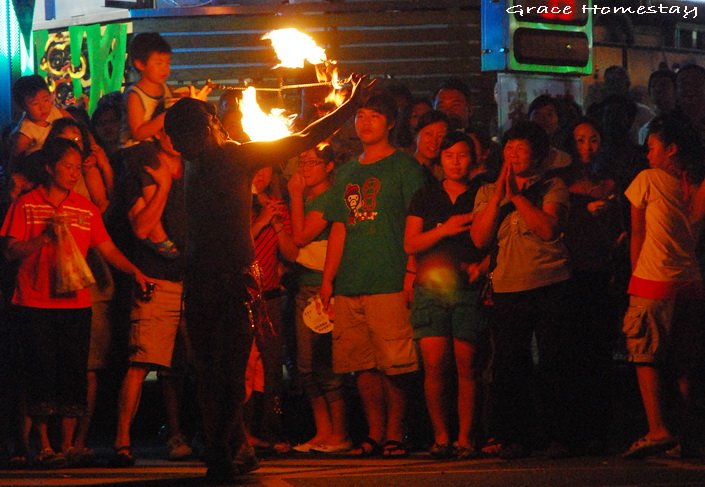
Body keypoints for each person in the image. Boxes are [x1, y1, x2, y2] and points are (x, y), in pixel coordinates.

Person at [163, 74, 366, 483]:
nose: (179, 143)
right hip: (202, 278)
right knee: (211, 369)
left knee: (228, 369)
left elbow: (302, 138)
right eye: (175, 136)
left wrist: (350, 104)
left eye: (185, 132)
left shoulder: (235, 156)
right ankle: (230, 447)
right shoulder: (196, 159)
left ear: (210, 127)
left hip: (234, 279)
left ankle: (225, 449)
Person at [0, 138, 148, 468]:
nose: (72, 173)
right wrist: (43, 238)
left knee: (72, 373)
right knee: (39, 373)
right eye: (67, 167)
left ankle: (67, 445)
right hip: (34, 302)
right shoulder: (27, 205)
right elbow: (10, 251)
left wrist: (134, 272)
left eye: (77, 167)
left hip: (76, 303)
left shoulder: (85, 208)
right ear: (50, 168)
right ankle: (44, 445)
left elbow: (106, 250)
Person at [320, 91, 424, 459]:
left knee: (394, 362)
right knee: (360, 364)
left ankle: (396, 433)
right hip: (350, 281)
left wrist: (411, 271)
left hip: (389, 277)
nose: (364, 122)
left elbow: (418, 220)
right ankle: (374, 434)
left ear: (391, 123)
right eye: (360, 115)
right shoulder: (347, 171)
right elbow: (339, 227)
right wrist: (328, 279)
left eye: (374, 116)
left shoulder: (405, 168)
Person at [471, 121, 576, 459]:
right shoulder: (487, 192)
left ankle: (556, 435)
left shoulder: (552, 186)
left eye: (521, 148)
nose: (513, 154)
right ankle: (509, 434)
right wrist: (499, 196)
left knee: (554, 361)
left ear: (538, 154)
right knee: (509, 363)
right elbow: (479, 238)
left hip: (550, 283)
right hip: (507, 286)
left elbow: (548, 229)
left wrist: (516, 196)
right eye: (509, 147)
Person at [621, 113, 705, 459]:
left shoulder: (648, 180)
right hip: (691, 283)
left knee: (647, 357)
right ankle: (691, 433)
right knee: (687, 363)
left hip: (653, 280)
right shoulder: (699, 182)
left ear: (671, 149)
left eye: (653, 147)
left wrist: (632, 277)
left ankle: (658, 428)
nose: (648, 153)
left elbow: (637, 234)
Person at [111, 129, 194, 467]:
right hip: (157, 280)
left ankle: (189, 434)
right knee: (141, 361)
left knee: (187, 366)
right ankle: (122, 441)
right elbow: (144, 228)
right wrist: (162, 186)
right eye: (168, 128)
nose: (174, 135)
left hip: (192, 281)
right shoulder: (143, 170)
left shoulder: (196, 169)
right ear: (158, 134)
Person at [404, 131, 488, 459]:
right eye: (449, 155)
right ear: (440, 160)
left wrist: (482, 267)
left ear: (473, 159)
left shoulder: (482, 195)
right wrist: (445, 229)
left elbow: (496, 239)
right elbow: (411, 244)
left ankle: (466, 437)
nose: (455, 162)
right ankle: (441, 437)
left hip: (467, 289)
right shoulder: (425, 196)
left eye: (462, 155)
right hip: (429, 289)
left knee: (468, 365)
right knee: (435, 365)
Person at [283, 145, 352, 454]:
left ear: (328, 167)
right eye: (302, 161)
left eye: (313, 162)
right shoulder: (310, 198)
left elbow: (300, 237)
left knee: (326, 367)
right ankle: (323, 431)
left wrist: (295, 196)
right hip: (302, 287)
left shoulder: (328, 198)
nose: (305, 168)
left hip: (322, 291)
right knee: (305, 367)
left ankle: (340, 433)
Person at [10, 75, 72, 160]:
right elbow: (16, 162)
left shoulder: (58, 113)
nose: (43, 107)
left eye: (46, 100)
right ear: (22, 107)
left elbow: (80, 129)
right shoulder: (26, 133)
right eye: (35, 104)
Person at [413, 110, 450, 183]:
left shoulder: (446, 173)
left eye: (440, 136)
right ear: (417, 135)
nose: (434, 141)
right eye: (428, 134)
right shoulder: (404, 168)